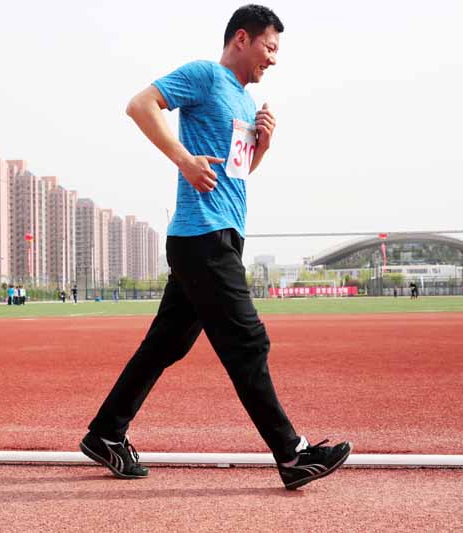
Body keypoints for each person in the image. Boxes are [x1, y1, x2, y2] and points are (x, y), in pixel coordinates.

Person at [80, 5, 350, 491]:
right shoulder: (205, 75)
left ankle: (105, 434)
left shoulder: (246, 102)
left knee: (166, 345)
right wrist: (183, 160)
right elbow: (140, 105)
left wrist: (262, 145)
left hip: (220, 235)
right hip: (202, 236)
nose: (274, 59)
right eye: (269, 47)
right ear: (242, 38)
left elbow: (237, 175)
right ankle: (292, 455)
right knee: (248, 342)